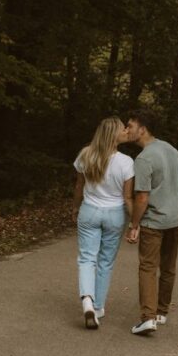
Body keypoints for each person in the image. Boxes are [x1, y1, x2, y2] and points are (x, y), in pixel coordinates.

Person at [124, 109, 178, 335]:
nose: (127, 130)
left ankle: (148, 318)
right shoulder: (170, 149)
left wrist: (134, 225)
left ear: (143, 129)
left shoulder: (144, 158)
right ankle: (161, 312)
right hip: (177, 218)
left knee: (148, 267)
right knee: (168, 266)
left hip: (155, 221)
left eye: (130, 125)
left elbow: (142, 197)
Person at [73, 117, 134, 329]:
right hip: (114, 214)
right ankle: (98, 307)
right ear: (113, 135)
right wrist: (135, 223)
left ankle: (87, 301)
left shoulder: (85, 154)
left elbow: (79, 186)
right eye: (122, 129)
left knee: (87, 259)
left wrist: (75, 207)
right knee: (105, 261)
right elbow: (127, 198)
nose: (126, 131)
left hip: (89, 211)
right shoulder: (126, 162)